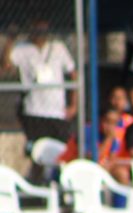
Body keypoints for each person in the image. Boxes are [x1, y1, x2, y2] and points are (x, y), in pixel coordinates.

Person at [1, 18, 77, 181]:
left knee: (61, 153)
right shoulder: (23, 49)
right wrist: (10, 40)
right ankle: (36, 189)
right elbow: (6, 66)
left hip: (57, 111)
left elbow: (73, 73)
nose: (41, 34)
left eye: (44, 30)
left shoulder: (58, 48)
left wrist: (73, 104)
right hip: (34, 111)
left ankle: (59, 188)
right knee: (37, 154)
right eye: (37, 30)